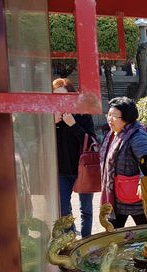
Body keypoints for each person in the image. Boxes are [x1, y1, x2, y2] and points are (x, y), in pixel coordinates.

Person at [52, 78, 97, 238]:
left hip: (83, 169)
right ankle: (70, 237)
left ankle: (86, 241)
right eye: (55, 97)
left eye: (63, 96)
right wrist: (52, 124)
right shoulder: (51, 117)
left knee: (86, 209)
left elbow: (92, 141)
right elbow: (41, 142)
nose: (60, 101)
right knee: (63, 207)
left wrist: (73, 125)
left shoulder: (83, 115)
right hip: (62, 170)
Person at [100, 97, 147, 229]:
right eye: (109, 114)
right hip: (117, 197)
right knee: (113, 232)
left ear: (127, 117)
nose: (109, 119)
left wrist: (143, 181)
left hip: (135, 197)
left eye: (114, 116)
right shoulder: (114, 133)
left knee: (146, 232)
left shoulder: (137, 135)